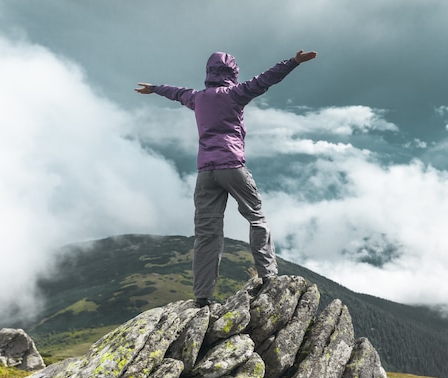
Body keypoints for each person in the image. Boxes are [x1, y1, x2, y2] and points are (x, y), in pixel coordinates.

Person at [135, 50, 317, 307]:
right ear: (233, 72)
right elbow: (266, 79)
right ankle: (268, 276)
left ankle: (202, 297)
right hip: (232, 166)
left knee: (207, 233)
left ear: (209, 73)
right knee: (256, 216)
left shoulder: (197, 98)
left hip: (205, 173)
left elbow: (175, 92)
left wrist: (153, 88)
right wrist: (294, 62)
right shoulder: (236, 94)